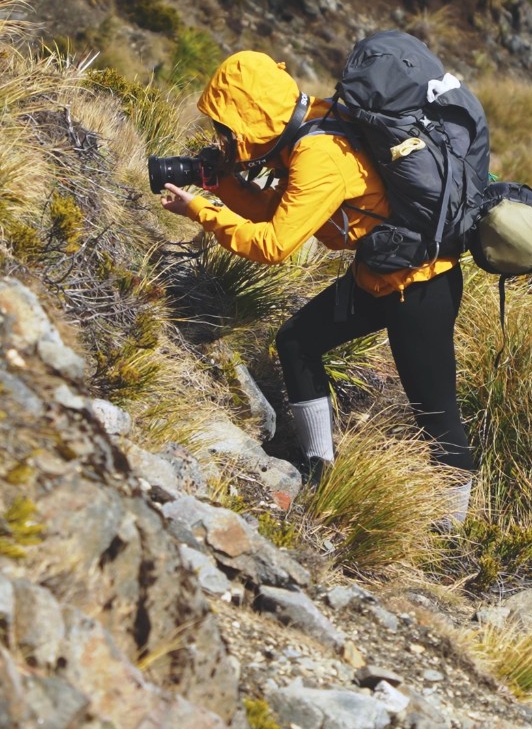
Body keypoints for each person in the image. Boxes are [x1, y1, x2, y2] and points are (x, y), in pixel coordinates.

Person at [159, 51, 475, 528]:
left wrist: (201, 211)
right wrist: (220, 186)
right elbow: (278, 211)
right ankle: (317, 468)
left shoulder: (317, 156)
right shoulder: (310, 126)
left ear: (254, 119)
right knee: (297, 343)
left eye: (228, 129)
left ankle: (454, 532)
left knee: (435, 413)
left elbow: (272, 244)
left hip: (420, 290)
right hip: (378, 278)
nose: (223, 139)